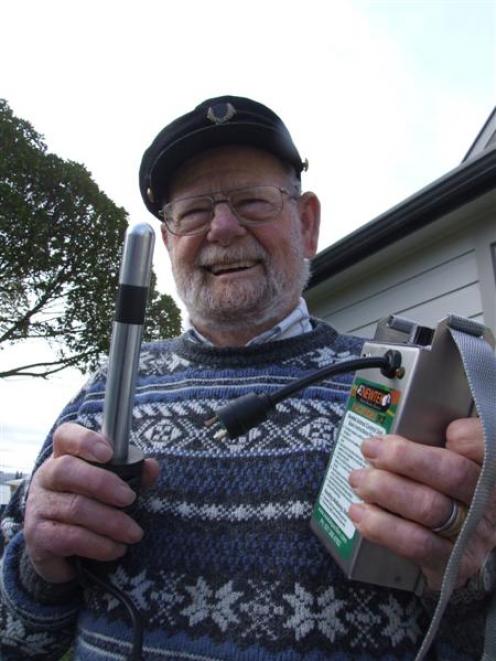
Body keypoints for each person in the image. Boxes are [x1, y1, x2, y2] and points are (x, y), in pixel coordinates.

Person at [1, 96, 494, 661]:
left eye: (252, 202)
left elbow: (466, 636)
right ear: (166, 242)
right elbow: (19, 638)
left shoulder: (407, 390)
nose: (223, 228)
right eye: (192, 212)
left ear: (305, 224)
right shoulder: (101, 393)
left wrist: (464, 577)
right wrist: (39, 564)